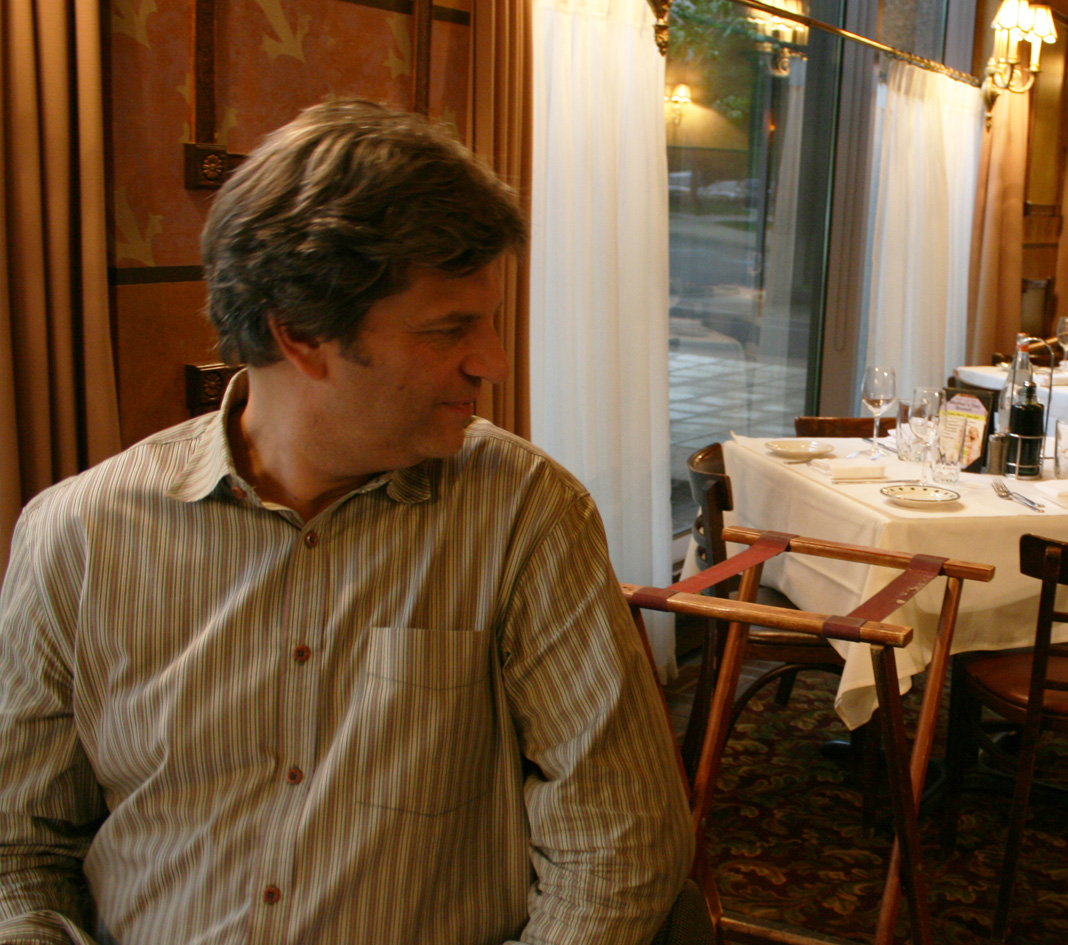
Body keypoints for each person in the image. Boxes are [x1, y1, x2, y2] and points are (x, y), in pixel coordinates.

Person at [0, 100, 694, 944]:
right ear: (302, 335)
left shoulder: (524, 513)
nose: (495, 362)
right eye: (450, 330)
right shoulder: (73, 537)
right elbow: (20, 850)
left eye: (490, 320)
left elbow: (617, 845)